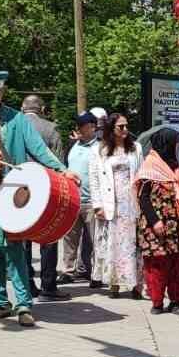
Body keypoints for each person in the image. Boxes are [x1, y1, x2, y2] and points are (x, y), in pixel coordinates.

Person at [0, 82, 70, 327]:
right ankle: (0, 303)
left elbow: (38, 148)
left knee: (14, 250)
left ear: (2, 95)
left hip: (11, 196)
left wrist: (62, 169)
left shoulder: (18, 120)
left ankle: (24, 304)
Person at [137, 126, 179, 315]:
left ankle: (175, 301)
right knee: (156, 264)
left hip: (176, 225)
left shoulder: (177, 166)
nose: (177, 147)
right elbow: (143, 198)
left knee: (177, 264)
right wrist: (155, 221)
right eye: (175, 143)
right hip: (155, 225)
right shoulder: (150, 167)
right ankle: (157, 301)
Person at [89, 112, 143, 299]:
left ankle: (135, 284)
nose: (125, 129)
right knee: (113, 244)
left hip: (130, 202)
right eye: (121, 126)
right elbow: (94, 179)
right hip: (110, 203)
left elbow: (141, 176)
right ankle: (114, 283)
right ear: (111, 129)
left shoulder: (136, 148)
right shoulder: (99, 150)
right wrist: (98, 205)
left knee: (132, 244)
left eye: (126, 126)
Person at [21, 96, 65, 299]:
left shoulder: (13, 128)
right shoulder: (51, 128)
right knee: (49, 237)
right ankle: (48, 286)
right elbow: (58, 162)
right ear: (43, 109)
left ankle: (27, 284)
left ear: (22, 108)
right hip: (45, 189)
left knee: (23, 239)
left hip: (20, 190)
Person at [61, 112, 100, 282]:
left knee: (95, 240)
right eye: (77, 125)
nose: (78, 129)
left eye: (81, 126)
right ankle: (68, 271)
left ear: (92, 127)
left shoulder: (100, 148)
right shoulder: (73, 145)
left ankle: (96, 274)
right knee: (70, 239)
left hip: (92, 201)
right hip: (72, 200)